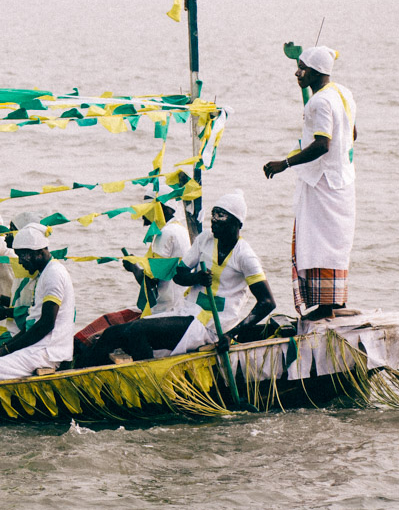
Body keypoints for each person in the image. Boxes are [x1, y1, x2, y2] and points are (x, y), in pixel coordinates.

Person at [84, 192, 275, 363]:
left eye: (221, 216)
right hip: (187, 312)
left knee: (136, 331)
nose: (214, 220)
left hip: (211, 326)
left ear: (237, 223)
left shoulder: (245, 256)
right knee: (112, 334)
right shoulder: (205, 239)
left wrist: (231, 335)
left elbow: (267, 302)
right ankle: (82, 384)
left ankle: (152, 386)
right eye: (213, 214)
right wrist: (197, 278)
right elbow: (179, 275)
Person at [263, 46, 358, 319]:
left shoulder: (319, 102)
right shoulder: (344, 94)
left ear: (316, 72)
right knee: (335, 243)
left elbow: (322, 144)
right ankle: (334, 303)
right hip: (343, 179)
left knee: (316, 242)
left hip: (322, 181)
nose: (297, 72)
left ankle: (325, 306)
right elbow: (352, 133)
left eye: (302, 68)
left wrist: (286, 163)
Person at [76, 191, 191, 364]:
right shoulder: (179, 229)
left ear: (163, 209)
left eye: (146, 207)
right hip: (172, 306)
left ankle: (84, 373)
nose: (142, 212)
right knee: (110, 325)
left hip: (166, 311)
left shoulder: (165, 233)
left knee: (108, 335)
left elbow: (150, 282)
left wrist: (133, 268)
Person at [0, 225, 76, 383]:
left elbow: (46, 324)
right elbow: (30, 326)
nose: (19, 262)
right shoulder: (44, 274)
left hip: (49, 351)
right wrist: (5, 347)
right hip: (40, 346)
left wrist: (7, 349)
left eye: (21, 256)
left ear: (38, 253)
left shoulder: (54, 274)